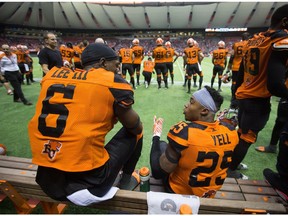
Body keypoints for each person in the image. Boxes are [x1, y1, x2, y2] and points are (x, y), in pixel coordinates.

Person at [28, 43, 143, 205]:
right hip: (87, 184)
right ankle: (126, 180)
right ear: (103, 63)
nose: (118, 69)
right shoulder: (111, 81)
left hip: (47, 179)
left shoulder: (52, 76)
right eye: (116, 65)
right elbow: (134, 126)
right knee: (137, 130)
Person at [227, 4, 288, 180]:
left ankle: (233, 163)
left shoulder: (253, 39)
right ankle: (230, 170)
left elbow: (240, 74)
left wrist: (236, 94)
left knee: (241, 133)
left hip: (245, 95)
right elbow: (275, 84)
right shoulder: (279, 39)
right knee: (247, 137)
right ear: (284, 21)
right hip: (257, 99)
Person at [150, 86, 238, 198]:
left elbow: (157, 172)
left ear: (204, 111)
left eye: (191, 102)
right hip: (209, 194)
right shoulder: (230, 131)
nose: (186, 104)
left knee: (162, 145)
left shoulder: (184, 133)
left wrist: (156, 135)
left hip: (181, 194)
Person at [226, 32, 250, 110]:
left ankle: (233, 101)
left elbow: (232, 56)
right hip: (246, 68)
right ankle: (242, 101)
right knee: (245, 84)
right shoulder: (250, 44)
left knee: (234, 83)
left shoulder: (236, 44)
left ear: (242, 38)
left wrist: (228, 67)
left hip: (236, 67)